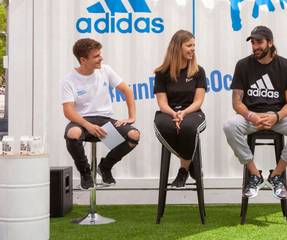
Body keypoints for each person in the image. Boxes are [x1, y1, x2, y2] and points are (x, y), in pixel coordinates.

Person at [223, 26, 287, 199]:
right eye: (253, 43)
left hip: (278, 117)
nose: (255, 47)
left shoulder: (286, 65)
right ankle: (254, 175)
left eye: (259, 42)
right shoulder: (243, 65)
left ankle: (276, 175)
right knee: (229, 126)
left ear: (270, 43)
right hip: (251, 117)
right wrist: (251, 116)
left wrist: (276, 116)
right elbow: (236, 102)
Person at [62, 38, 140, 189]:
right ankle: (85, 174)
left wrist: (132, 116)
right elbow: (68, 111)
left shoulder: (106, 70)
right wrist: (88, 126)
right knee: (73, 133)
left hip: (104, 121)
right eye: (96, 56)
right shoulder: (68, 80)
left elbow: (127, 91)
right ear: (83, 60)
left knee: (133, 136)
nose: (101, 58)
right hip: (82, 121)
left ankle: (105, 167)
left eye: (100, 54)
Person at [153, 30, 207, 188]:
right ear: (177, 48)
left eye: (194, 46)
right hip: (168, 112)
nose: (193, 49)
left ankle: (183, 170)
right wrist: (174, 114)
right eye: (189, 45)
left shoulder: (198, 71)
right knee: (165, 126)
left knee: (188, 128)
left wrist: (183, 113)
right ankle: (191, 164)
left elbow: (198, 101)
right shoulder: (161, 73)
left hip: (192, 112)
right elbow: (162, 103)